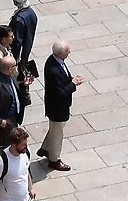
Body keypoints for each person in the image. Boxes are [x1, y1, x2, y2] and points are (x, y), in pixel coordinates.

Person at [40, 40, 80, 171]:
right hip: (57, 108)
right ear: (61, 54)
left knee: (56, 129)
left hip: (59, 106)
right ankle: (54, 159)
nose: (70, 52)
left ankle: (46, 148)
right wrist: (73, 84)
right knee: (58, 134)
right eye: (67, 51)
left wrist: (70, 79)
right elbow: (60, 93)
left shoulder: (56, 60)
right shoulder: (53, 70)